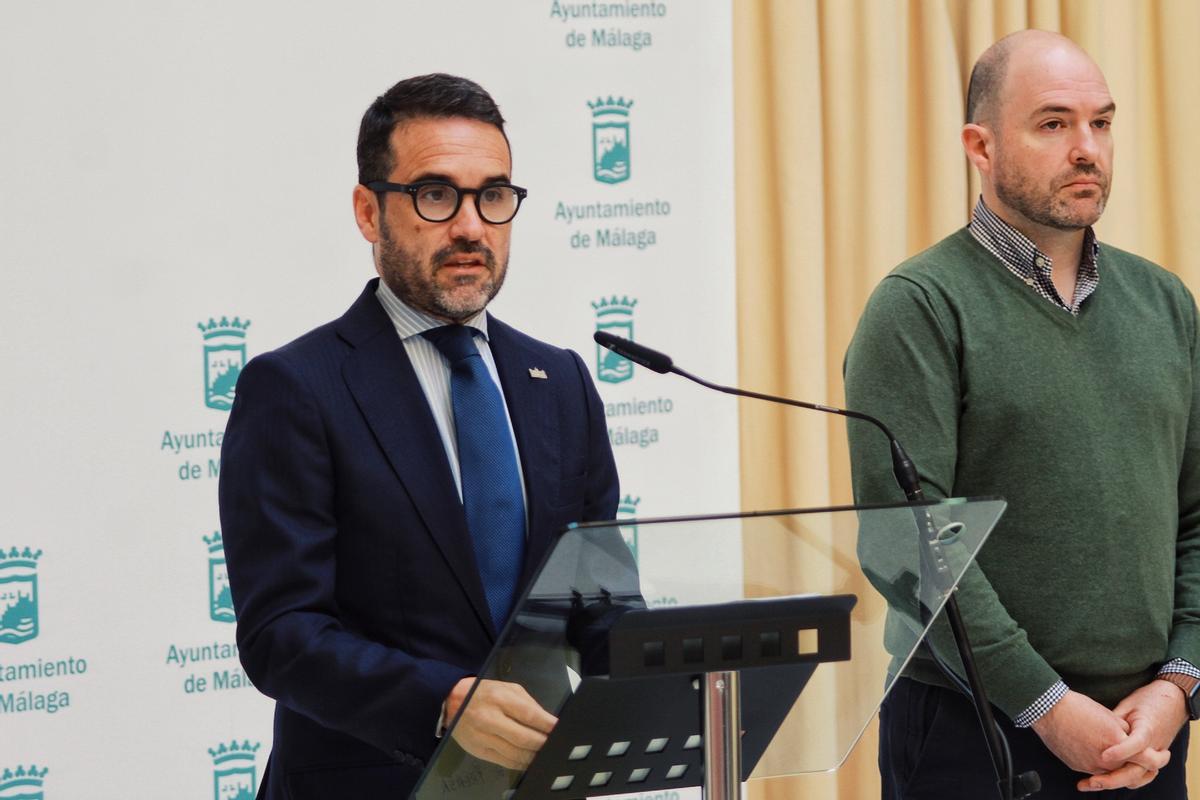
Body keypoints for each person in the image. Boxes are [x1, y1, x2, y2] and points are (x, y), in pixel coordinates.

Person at [218, 73, 619, 800]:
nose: (471, 226)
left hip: (539, 782)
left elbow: (598, 599)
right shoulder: (298, 389)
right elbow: (282, 633)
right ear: (369, 212)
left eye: (493, 196)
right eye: (436, 195)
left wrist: (691, 668)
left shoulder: (560, 383)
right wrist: (443, 702)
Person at [845, 30, 1199, 798]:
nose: (1087, 149)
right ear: (980, 144)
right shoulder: (919, 308)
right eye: (1053, 124)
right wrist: (1044, 704)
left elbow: (1198, 518)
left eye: (1101, 123)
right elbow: (909, 540)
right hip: (972, 731)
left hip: (1146, 733)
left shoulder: (1166, 303)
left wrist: (1179, 683)